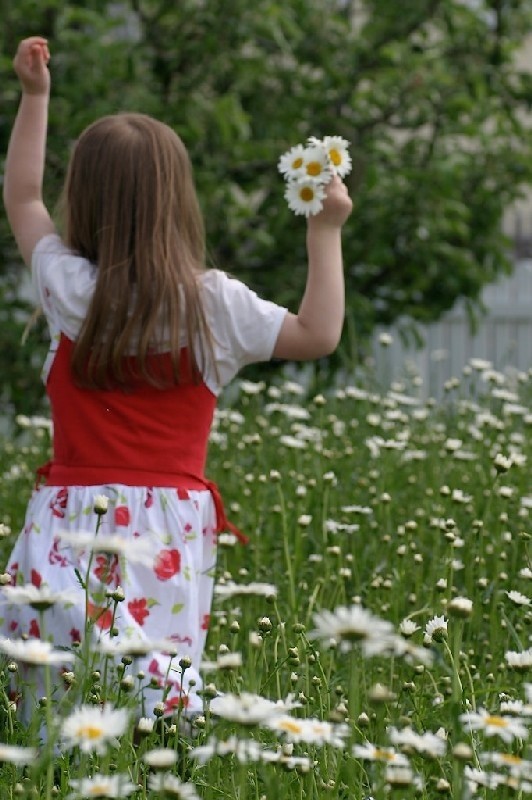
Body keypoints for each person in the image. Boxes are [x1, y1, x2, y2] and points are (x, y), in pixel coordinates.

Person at [1, 37, 352, 720]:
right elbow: (319, 333)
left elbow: (20, 196)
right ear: (176, 200)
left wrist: (35, 96)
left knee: (48, 689)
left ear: (87, 196)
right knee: (156, 692)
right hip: (170, 530)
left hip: (73, 518)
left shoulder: (71, 288)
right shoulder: (215, 304)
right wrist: (325, 230)